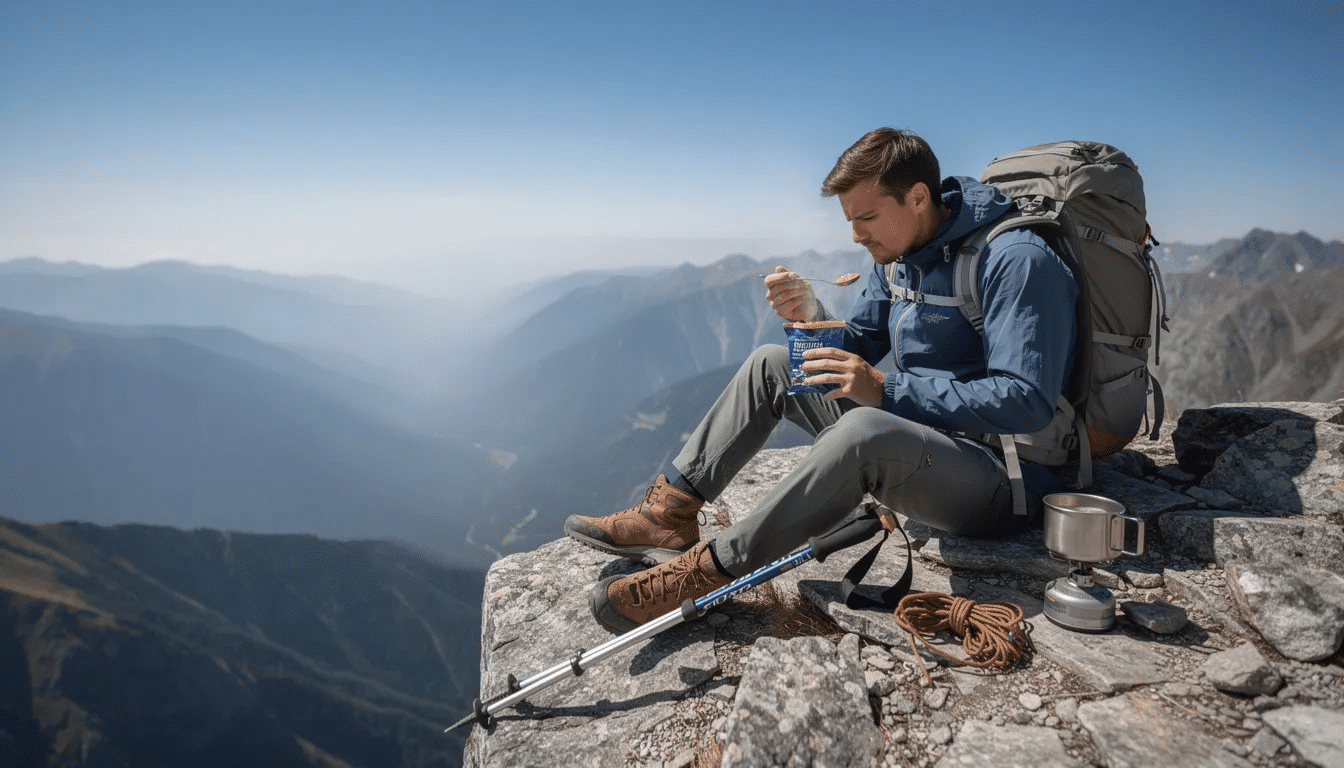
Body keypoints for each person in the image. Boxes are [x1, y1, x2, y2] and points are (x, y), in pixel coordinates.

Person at [564, 127, 1078, 633]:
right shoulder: (900, 258)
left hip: (1004, 477)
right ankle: (669, 514)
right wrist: (810, 315)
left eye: (867, 218)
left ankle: (709, 572)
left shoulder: (1016, 260)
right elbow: (859, 344)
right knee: (773, 363)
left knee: (862, 432)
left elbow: (1027, 399)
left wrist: (886, 391)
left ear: (919, 198)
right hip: (928, 443)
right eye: (850, 220)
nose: (856, 236)